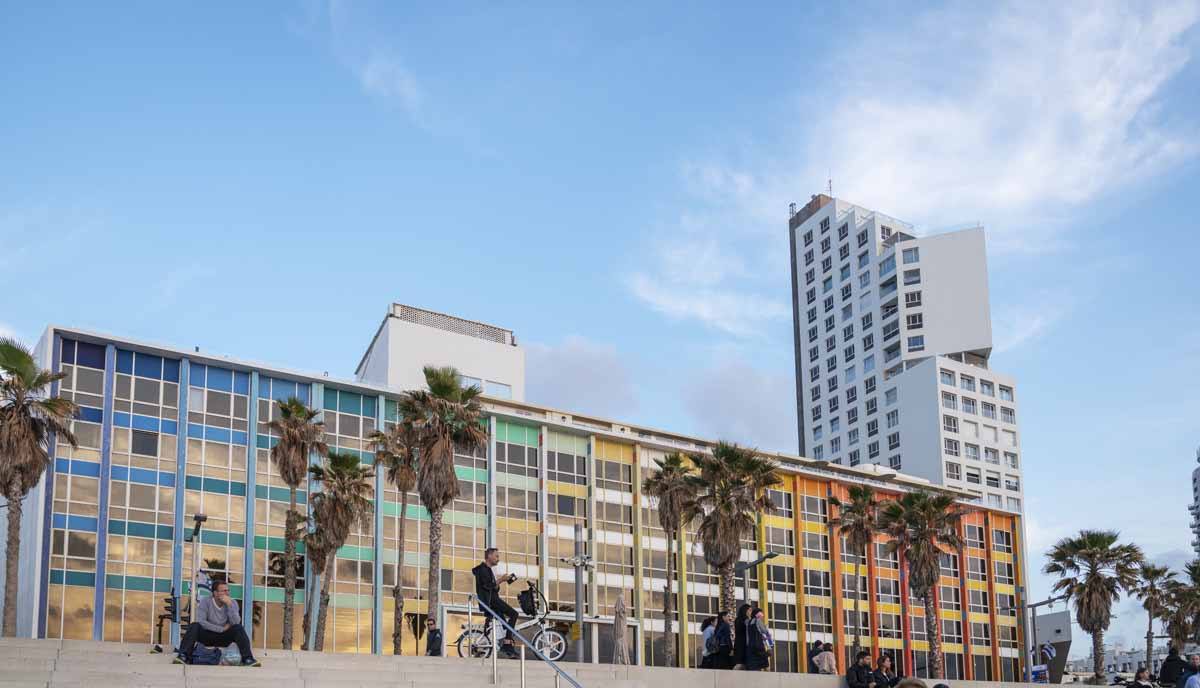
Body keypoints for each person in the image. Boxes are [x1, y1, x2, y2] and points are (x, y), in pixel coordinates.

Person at [174, 581, 259, 666]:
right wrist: (221, 629)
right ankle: (183, 656)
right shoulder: (205, 602)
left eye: (228, 590)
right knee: (194, 626)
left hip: (224, 637)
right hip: (208, 635)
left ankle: (248, 659)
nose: (227, 593)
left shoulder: (232, 603)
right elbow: (201, 621)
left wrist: (229, 605)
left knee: (238, 628)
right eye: (224, 591)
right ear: (215, 593)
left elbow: (236, 622)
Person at [472, 547, 520, 658]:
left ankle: (508, 647)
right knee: (514, 614)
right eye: (496, 556)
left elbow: (492, 588)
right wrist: (500, 580)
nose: (498, 559)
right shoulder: (483, 569)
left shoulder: (488, 570)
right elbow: (487, 586)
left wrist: (500, 582)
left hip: (493, 600)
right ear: (489, 556)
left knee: (505, 626)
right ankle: (507, 644)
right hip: (491, 602)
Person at [742, 607, 772, 671]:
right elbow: (765, 632)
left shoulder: (747, 622)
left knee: (754, 667)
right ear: (757, 615)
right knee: (765, 665)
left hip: (751, 647)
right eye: (761, 614)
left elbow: (748, 636)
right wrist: (770, 646)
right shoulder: (758, 621)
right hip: (759, 647)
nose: (762, 616)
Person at [732, 603, 751, 669]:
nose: (750, 612)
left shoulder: (738, 619)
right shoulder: (745, 620)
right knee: (740, 664)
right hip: (742, 645)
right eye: (749, 610)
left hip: (739, 644)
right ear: (745, 610)